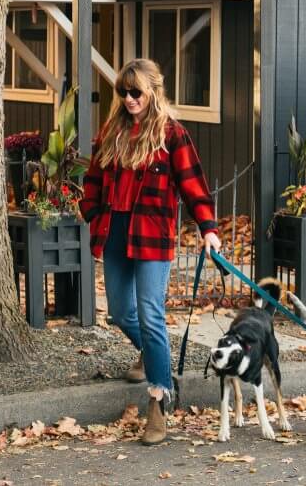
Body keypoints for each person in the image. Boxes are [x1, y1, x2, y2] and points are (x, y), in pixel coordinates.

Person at [79, 58, 222, 446]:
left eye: (136, 92)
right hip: (114, 233)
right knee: (122, 312)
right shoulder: (112, 131)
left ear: (153, 91)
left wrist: (208, 228)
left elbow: (194, 185)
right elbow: (92, 180)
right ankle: (150, 353)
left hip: (153, 236)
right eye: (122, 92)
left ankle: (159, 401)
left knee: (152, 314)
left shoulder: (171, 135)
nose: (129, 99)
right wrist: (93, 213)